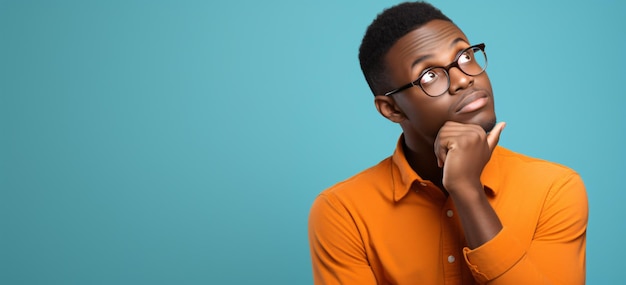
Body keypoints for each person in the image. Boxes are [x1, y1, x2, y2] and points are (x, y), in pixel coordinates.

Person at [307, 1, 588, 284]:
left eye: (465, 56)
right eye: (429, 76)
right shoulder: (342, 212)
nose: (463, 80)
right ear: (392, 109)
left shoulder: (554, 189)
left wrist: (467, 191)